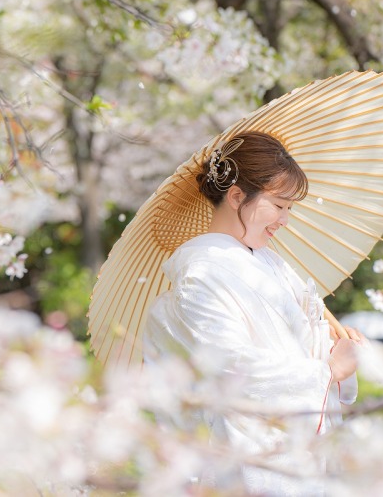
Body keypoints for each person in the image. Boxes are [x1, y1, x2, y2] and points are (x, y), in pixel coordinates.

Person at [142, 131, 364, 495]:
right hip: (246, 458)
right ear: (236, 196)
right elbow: (230, 366)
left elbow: (297, 343)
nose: (285, 220)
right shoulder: (201, 273)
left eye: (290, 208)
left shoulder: (270, 262)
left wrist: (334, 349)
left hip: (293, 448)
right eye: (278, 205)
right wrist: (326, 371)